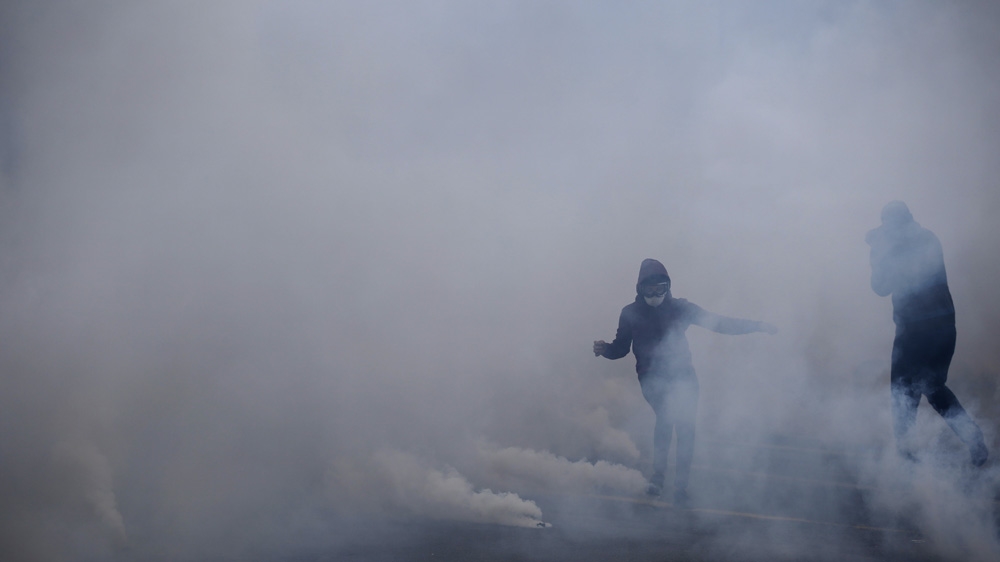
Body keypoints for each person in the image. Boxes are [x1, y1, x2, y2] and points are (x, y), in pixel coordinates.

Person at [593, 258, 777, 504]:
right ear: (640, 289)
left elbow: (720, 323)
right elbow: (621, 349)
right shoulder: (630, 313)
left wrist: (758, 326)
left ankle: (680, 488)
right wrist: (605, 349)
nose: (656, 294)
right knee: (667, 417)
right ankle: (658, 478)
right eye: (650, 289)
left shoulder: (681, 308)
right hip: (650, 378)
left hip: (683, 376)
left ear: (668, 287)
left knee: (686, 427)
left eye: (661, 288)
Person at [866, 201, 988, 466]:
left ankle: (907, 457)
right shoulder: (928, 238)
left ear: (894, 224)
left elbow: (880, 286)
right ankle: (973, 438)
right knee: (932, 387)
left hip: (914, 329)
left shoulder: (899, 247)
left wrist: (877, 252)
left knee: (902, 391)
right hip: (944, 326)